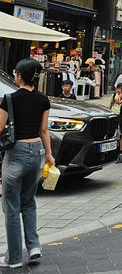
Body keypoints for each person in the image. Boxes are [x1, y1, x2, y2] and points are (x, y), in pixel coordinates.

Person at [0, 58, 55, 268]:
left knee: (11, 206)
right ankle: (34, 246)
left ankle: (13, 258)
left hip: (17, 152)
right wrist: (49, 155)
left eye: (15, 73)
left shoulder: (9, 99)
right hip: (37, 152)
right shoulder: (43, 99)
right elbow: (43, 130)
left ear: (20, 76)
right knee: (29, 201)